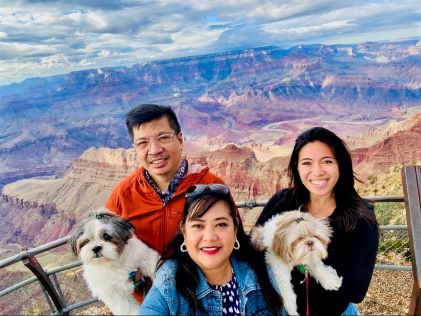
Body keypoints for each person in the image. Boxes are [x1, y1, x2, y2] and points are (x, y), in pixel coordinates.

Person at [255, 127, 379, 316]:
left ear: (341, 165)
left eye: (327, 161)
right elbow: (252, 250)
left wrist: (304, 256)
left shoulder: (360, 220)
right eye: (307, 163)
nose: (317, 172)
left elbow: (356, 291)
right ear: (297, 167)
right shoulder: (283, 202)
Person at [105, 104, 224, 300]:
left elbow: (232, 243)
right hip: (148, 302)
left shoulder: (211, 186)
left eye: (163, 138)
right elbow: (105, 249)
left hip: (204, 299)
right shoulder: (122, 195)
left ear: (179, 139)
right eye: (142, 143)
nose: (154, 150)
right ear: (135, 148)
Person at [139, 183, 283, 315]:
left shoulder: (261, 272)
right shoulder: (169, 281)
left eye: (221, 225)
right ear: (184, 232)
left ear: (235, 228)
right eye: (198, 226)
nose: (209, 237)